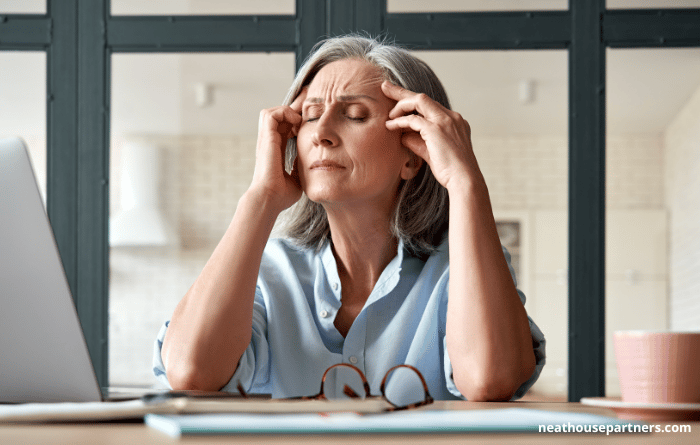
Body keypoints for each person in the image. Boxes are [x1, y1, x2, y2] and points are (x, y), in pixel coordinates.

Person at [154, 34, 545, 402]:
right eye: (309, 115)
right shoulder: (266, 271)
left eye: (355, 115)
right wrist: (261, 197)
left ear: (414, 153)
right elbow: (191, 374)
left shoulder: (459, 270)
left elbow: (491, 379)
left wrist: (465, 182)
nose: (321, 133)